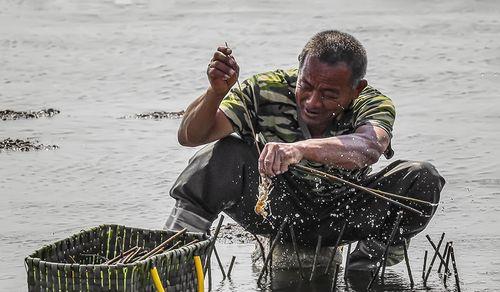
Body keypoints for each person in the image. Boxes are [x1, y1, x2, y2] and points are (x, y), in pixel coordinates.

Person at [164, 30, 445, 271]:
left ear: (356, 89)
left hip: (342, 212)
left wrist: (298, 150)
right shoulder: (263, 89)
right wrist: (215, 93)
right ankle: (174, 253)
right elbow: (190, 137)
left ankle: (366, 263)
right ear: (298, 72)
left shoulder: (373, 103)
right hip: (275, 209)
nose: (312, 102)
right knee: (222, 153)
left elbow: (368, 147)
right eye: (305, 86)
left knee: (423, 177)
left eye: (329, 94)